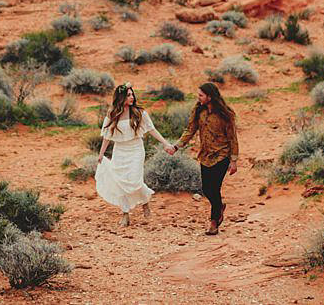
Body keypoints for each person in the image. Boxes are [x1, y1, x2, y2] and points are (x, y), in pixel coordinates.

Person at [96, 84, 175, 227]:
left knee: (134, 180)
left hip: (136, 149)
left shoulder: (139, 113)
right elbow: (107, 136)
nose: (132, 97)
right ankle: (125, 214)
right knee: (121, 182)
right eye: (128, 95)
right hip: (120, 150)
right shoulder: (112, 113)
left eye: (132, 95)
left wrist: (165, 143)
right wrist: (101, 154)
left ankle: (145, 202)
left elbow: (152, 129)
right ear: (121, 97)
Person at [168, 82, 239, 235]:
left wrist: (233, 160)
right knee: (207, 189)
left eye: (201, 95)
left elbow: (233, 137)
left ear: (210, 97)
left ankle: (213, 222)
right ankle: (219, 207)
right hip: (205, 155)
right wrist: (176, 146)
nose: (197, 97)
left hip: (222, 155)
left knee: (215, 188)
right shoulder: (198, 110)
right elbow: (190, 130)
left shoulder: (226, 114)